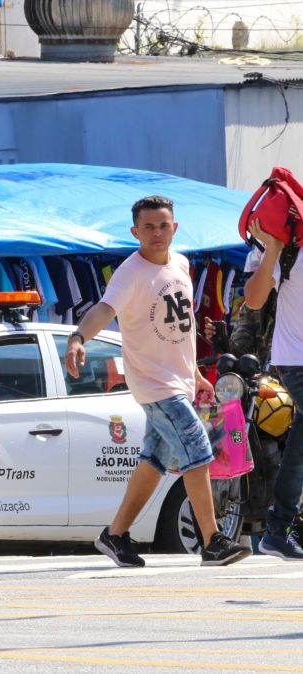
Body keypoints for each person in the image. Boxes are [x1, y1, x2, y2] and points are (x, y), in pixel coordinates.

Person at [65, 196, 250, 568]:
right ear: (135, 232)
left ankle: (115, 535)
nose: (156, 233)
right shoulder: (129, 273)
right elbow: (104, 309)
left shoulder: (181, 264)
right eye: (148, 227)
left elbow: (181, 329)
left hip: (179, 381)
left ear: (175, 228)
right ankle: (212, 541)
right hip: (154, 386)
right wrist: (77, 338)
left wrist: (196, 374)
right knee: (198, 451)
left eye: (163, 225)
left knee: (154, 460)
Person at [241, 218, 303, 559]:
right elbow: (253, 300)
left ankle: (278, 527)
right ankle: (278, 527)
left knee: (298, 445)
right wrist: (274, 249)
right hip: (296, 360)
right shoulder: (291, 248)